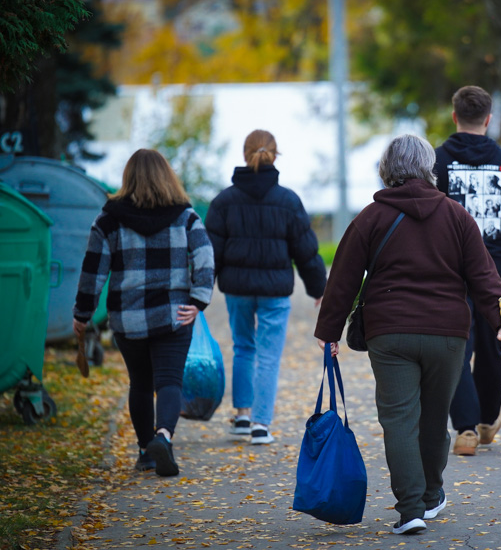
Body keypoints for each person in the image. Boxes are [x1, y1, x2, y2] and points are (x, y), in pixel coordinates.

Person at [315, 134, 501, 535]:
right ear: (430, 168)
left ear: (386, 170)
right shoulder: (457, 216)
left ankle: (411, 509)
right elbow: (484, 278)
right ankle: (430, 495)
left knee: (398, 419)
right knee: (432, 417)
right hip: (447, 334)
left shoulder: (370, 217)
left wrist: (329, 332)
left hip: (389, 334)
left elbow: (342, 279)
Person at [73, 149, 215, 477]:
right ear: (167, 176)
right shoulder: (185, 216)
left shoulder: (108, 219)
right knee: (169, 381)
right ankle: (163, 437)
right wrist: (198, 300)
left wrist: (82, 313)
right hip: (174, 315)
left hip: (128, 316)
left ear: (128, 178)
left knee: (139, 383)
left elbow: (93, 270)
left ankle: (145, 452)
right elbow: (205, 257)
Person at [434, 85, 501, 456]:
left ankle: (465, 428)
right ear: (488, 118)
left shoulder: (437, 163)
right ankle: (485, 419)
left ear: (454, 116)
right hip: (493, 268)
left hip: (449, 269)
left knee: (457, 346)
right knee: (496, 342)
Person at [205, 130, 327, 445]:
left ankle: (242, 416)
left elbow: (210, 254)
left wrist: (200, 293)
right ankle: (261, 424)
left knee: (243, 347)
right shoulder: (288, 201)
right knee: (269, 355)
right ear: (276, 155)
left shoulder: (223, 201)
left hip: (237, 289)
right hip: (275, 291)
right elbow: (306, 251)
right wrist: (318, 289)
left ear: (245, 155)